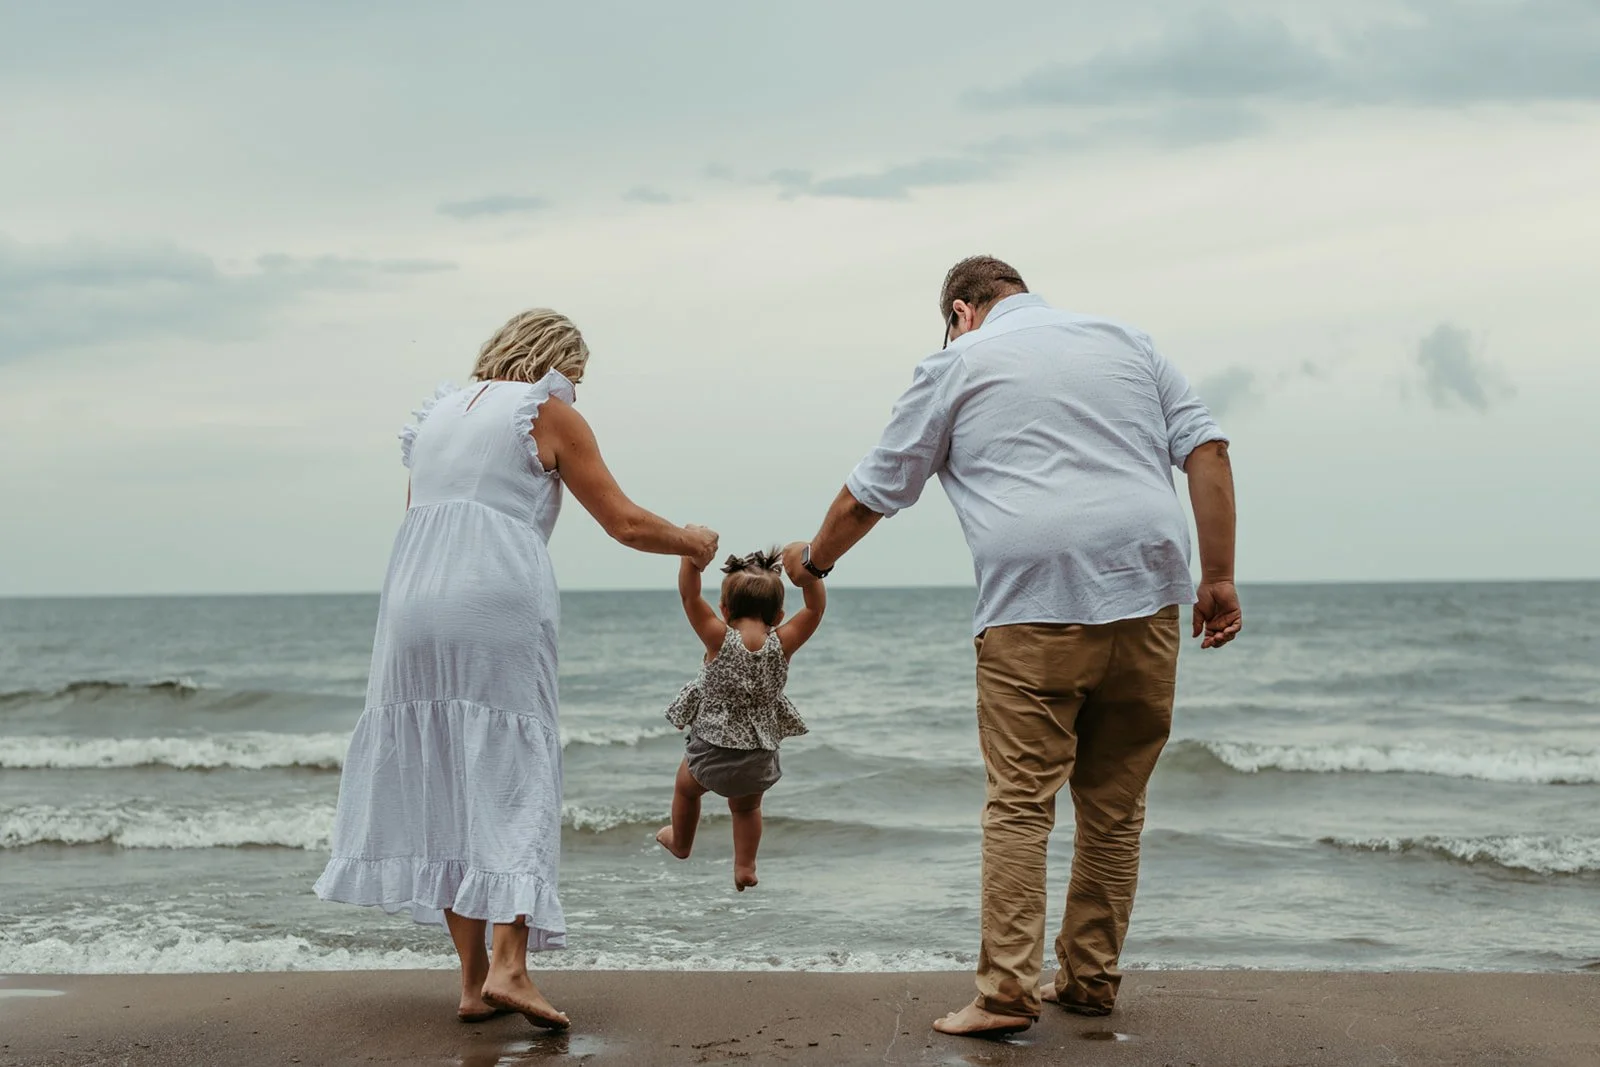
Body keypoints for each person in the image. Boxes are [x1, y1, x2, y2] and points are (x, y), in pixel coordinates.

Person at [781, 256, 1241, 1038]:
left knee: (1021, 805)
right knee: (1115, 807)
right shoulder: (1129, 342)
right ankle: (1089, 982)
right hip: (1149, 596)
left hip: (1034, 607)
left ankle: (1005, 994)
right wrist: (1220, 577)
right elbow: (1209, 451)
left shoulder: (959, 360)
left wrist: (814, 560)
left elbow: (874, 491)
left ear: (961, 310)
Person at [314, 308, 719, 1030]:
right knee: (512, 766)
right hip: (492, 597)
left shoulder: (437, 415)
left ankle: (473, 984)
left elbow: (422, 512)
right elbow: (621, 520)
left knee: (446, 770)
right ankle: (513, 964)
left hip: (411, 601)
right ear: (556, 362)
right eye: (578, 376)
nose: (577, 391)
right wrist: (689, 540)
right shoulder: (545, 410)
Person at [655, 549, 825, 890]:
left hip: (711, 751)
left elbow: (690, 596)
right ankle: (745, 865)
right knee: (747, 810)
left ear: (724, 610)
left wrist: (690, 556)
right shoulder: (783, 643)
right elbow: (814, 609)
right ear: (778, 614)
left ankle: (681, 842)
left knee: (686, 790)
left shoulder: (718, 638)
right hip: (759, 756)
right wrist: (810, 568)